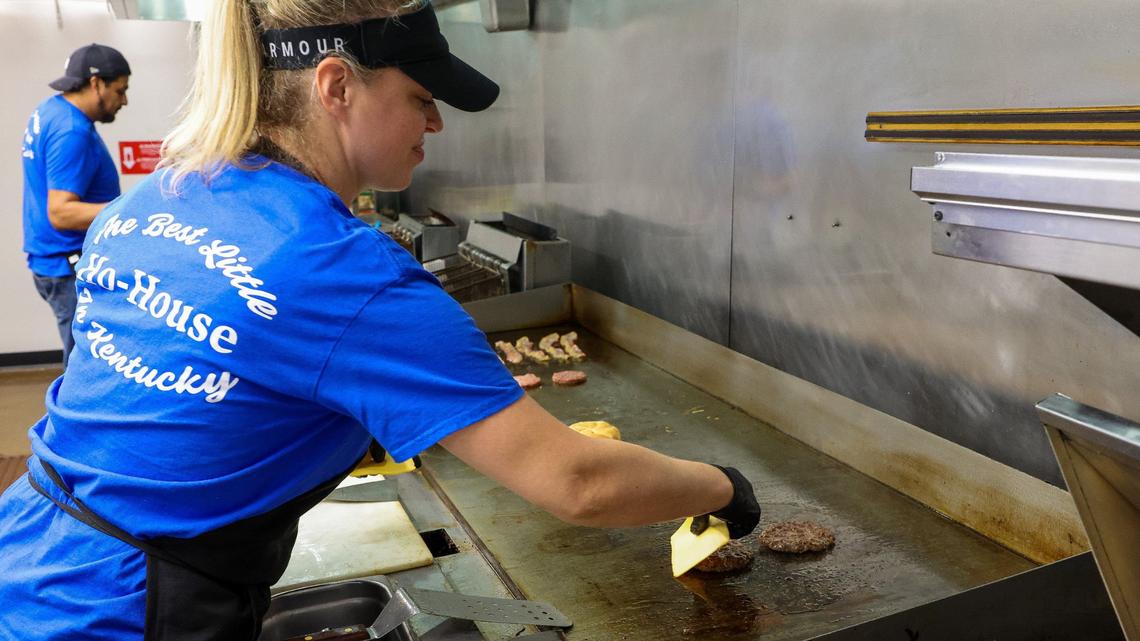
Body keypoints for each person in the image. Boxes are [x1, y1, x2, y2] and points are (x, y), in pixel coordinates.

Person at [0, 1, 760, 639]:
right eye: (421, 95)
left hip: (25, 555)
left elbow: (203, 400)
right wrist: (722, 486)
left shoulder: (156, 199)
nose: (435, 122)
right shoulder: (337, 268)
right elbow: (577, 481)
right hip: (122, 611)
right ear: (336, 86)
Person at [20, 43, 130, 366]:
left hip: (52, 261)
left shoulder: (49, 111)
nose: (124, 100)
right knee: (81, 367)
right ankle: (71, 417)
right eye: (120, 90)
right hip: (66, 265)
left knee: (82, 359)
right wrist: (129, 209)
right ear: (96, 84)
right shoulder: (72, 131)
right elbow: (61, 211)